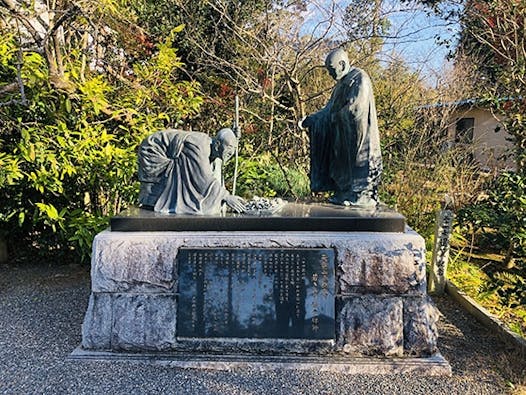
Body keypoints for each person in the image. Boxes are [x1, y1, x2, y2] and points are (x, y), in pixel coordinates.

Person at [301, 48, 382, 207]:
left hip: (359, 139)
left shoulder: (360, 78)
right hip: (342, 139)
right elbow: (329, 109)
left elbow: (355, 109)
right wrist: (312, 120)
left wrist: (334, 117)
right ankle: (343, 192)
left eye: (332, 70)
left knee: (359, 170)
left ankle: (360, 197)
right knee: (341, 168)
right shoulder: (340, 85)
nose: (330, 75)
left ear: (342, 64)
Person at [138, 128, 246, 215]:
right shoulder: (198, 145)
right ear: (217, 145)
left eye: (234, 148)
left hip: (164, 151)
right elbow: (202, 178)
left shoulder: (213, 151)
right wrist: (226, 196)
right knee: (178, 171)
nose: (232, 152)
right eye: (230, 147)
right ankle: (152, 201)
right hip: (153, 150)